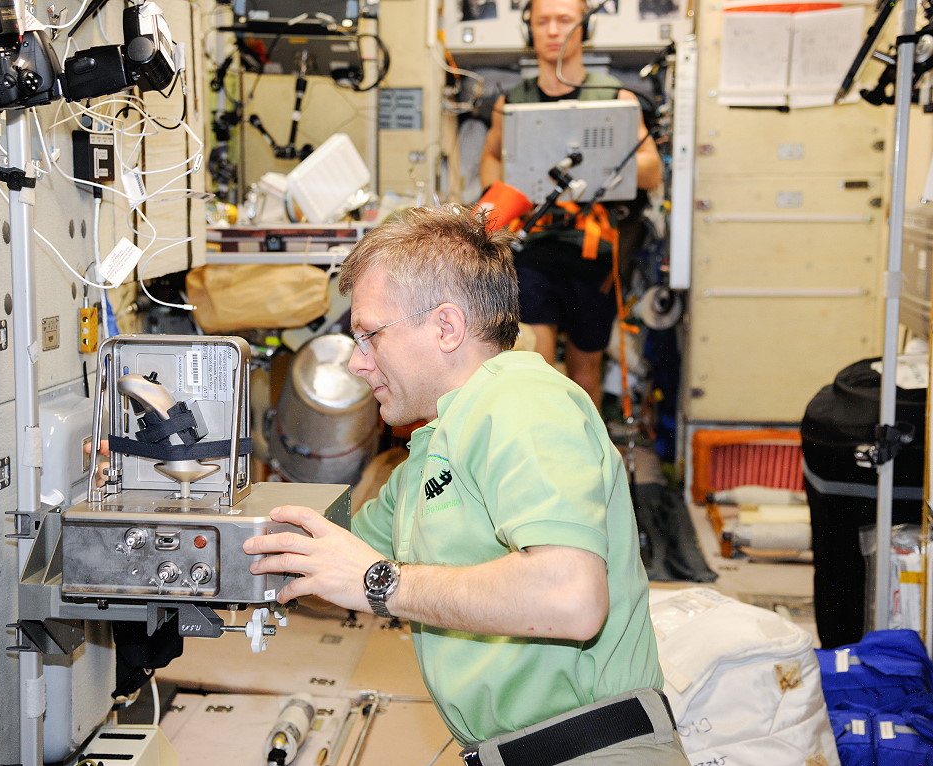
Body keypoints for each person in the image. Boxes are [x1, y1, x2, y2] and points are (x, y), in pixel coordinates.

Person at [243, 205, 688, 765]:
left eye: (369, 336)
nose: (357, 363)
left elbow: (570, 598)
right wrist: (183, 522)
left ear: (447, 327)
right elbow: (322, 561)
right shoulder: (429, 456)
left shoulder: (522, 400)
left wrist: (380, 582)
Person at [479, 0, 662, 408]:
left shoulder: (616, 99)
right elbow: (490, 159)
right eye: (542, 21)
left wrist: (606, 166)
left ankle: (584, 445)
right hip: (533, 249)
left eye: (564, 20)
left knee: (585, 373)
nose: (553, 31)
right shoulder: (513, 103)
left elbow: (651, 171)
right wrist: (509, 188)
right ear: (529, 30)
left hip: (592, 253)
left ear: (584, 28)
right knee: (535, 365)